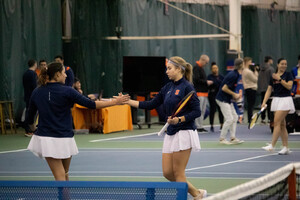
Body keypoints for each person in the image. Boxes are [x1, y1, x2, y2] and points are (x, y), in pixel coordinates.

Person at [26, 62, 129, 181]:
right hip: (62, 138)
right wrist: (115, 102)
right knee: (62, 175)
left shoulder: (37, 92)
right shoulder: (68, 91)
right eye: (64, 73)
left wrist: (34, 130)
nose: (66, 76)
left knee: (63, 175)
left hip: (52, 138)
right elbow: (91, 104)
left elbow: (29, 118)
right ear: (58, 74)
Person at [126, 56, 206, 199]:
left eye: (169, 68)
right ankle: (197, 193)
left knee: (178, 173)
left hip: (184, 133)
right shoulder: (167, 87)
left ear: (179, 69)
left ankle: (185, 196)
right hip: (171, 133)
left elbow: (196, 112)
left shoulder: (188, 87)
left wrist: (179, 119)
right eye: (167, 68)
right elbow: (150, 104)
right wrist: (127, 101)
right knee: (168, 173)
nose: (166, 71)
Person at [261, 58, 295, 155]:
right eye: (282, 64)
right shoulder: (273, 76)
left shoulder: (288, 75)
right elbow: (269, 90)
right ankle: (285, 147)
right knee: (282, 125)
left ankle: (272, 145)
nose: (284, 65)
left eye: (285, 64)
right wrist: (264, 102)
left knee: (276, 122)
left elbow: (289, 86)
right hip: (276, 100)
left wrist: (280, 79)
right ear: (277, 64)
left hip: (286, 100)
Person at [216, 58, 244, 145]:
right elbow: (224, 88)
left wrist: (234, 97)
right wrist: (234, 94)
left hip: (228, 99)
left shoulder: (237, 74)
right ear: (241, 65)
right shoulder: (233, 75)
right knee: (229, 119)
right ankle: (222, 139)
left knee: (235, 117)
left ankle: (232, 138)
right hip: (222, 99)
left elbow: (229, 89)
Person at [193, 54, 213, 133]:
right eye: (206, 62)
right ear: (202, 60)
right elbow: (196, 80)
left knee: (203, 111)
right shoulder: (196, 68)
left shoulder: (201, 68)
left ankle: (200, 126)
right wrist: (206, 82)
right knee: (199, 110)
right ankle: (197, 126)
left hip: (204, 93)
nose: (206, 64)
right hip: (199, 93)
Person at [207, 62, 224, 132]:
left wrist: (215, 82)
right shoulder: (209, 77)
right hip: (212, 96)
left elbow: (222, 84)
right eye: (213, 68)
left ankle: (222, 125)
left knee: (221, 110)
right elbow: (210, 84)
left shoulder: (221, 77)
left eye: (216, 68)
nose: (215, 69)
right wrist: (216, 82)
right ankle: (211, 125)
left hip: (220, 96)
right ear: (211, 69)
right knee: (212, 110)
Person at [22, 59, 38, 137]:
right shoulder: (33, 74)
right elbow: (35, 86)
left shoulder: (25, 74)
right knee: (31, 113)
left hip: (27, 96)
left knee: (28, 112)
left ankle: (28, 130)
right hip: (32, 97)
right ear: (35, 64)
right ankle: (29, 130)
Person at [258, 56, 274, 124]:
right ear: (269, 60)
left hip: (262, 89)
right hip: (269, 89)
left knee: (263, 104)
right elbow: (273, 79)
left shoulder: (260, 69)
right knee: (270, 104)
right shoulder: (271, 69)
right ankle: (270, 119)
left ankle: (263, 118)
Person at [242, 57, 258, 124]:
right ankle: (250, 119)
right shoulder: (248, 71)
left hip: (249, 88)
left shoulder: (246, 70)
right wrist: (255, 71)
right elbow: (255, 79)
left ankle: (250, 118)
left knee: (250, 105)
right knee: (251, 105)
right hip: (250, 88)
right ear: (247, 62)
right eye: (250, 62)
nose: (251, 63)